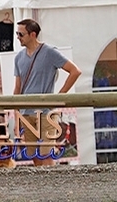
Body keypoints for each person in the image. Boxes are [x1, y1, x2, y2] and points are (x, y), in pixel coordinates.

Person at [13, 18, 82, 166]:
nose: (18, 37)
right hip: (26, 113)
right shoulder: (18, 57)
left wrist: (59, 97)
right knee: (33, 155)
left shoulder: (49, 52)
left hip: (46, 112)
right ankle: (42, 186)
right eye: (17, 34)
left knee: (47, 154)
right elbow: (17, 88)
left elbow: (75, 71)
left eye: (20, 34)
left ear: (33, 34)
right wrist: (17, 115)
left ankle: (50, 187)